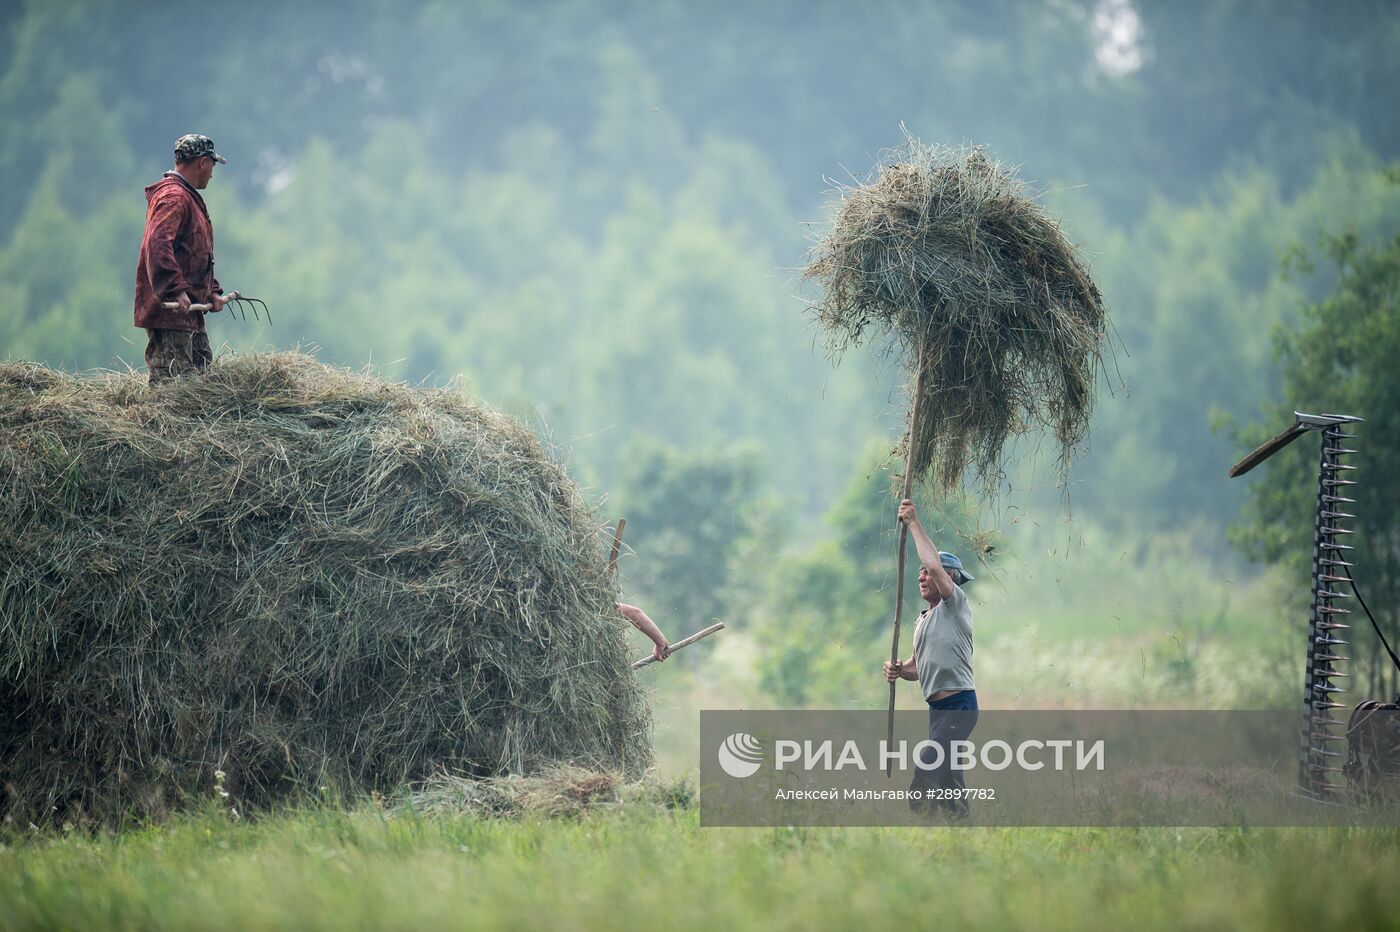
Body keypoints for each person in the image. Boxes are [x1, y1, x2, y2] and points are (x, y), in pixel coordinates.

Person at [882, 498, 978, 818]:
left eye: (927, 573)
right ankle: (958, 832)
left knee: (928, 768)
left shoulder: (955, 607)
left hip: (960, 706)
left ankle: (921, 825)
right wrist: (898, 670)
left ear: (946, 579)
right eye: (920, 573)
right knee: (950, 783)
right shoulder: (923, 620)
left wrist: (913, 522)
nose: (922, 576)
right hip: (937, 710)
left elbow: (935, 565)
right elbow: (917, 669)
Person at [134, 134, 230, 384]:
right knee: (173, 389)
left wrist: (211, 291)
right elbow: (158, 245)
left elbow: (191, 253)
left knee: (202, 379)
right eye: (212, 165)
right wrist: (175, 290)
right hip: (171, 311)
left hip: (187, 312)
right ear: (203, 162)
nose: (212, 173)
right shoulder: (174, 198)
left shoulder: (185, 197)